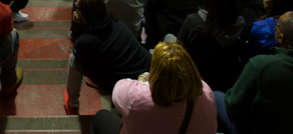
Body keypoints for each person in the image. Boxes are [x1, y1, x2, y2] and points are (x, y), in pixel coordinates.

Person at [89, 41, 217, 134]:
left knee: (101, 117)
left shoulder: (138, 95)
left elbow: (117, 91)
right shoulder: (205, 91)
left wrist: (142, 79)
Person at [63, 0, 151, 114]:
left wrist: (76, 25)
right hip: (149, 70)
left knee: (74, 60)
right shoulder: (117, 22)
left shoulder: (86, 40)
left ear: (82, 15)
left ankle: (72, 103)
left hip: (125, 85)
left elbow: (78, 51)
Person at [177, 0, 246, 92]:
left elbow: (179, 50)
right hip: (229, 81)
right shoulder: (241, 25)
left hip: (198, 81)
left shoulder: (194, 22)